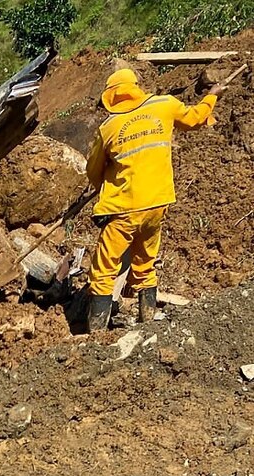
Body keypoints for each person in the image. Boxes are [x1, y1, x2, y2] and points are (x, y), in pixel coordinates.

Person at [84, 68, 226, 332]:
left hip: (123, 209)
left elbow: (93, 171)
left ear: (111, 97)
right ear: (136, 86)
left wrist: (107, 183)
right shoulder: (165, 105)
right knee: (144, 261)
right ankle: (147, 323)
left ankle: (96, 334)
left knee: (104, 269)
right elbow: (196, 118)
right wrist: (212, 96)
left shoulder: (109, 128)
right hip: (157, 203)